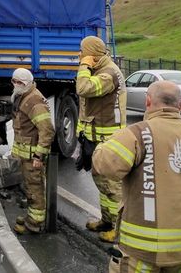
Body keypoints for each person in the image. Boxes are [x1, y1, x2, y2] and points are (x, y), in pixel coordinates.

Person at [93, 80, 181, 272]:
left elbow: (105, 166)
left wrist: (101, 146)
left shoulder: (137, 134)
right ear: (180, 106)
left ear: (148, 102)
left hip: (141, 249)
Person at [75, 35, 127, 242]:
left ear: (92, 55)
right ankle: (107, 220)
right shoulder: (100, 70)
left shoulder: (108, 74)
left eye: (83, 52)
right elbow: (86, 105)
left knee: (113, 187)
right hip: (97, 138)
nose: (80, 56)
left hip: (109, 140)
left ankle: (119, 230)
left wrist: (83, 67)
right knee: (103, 184)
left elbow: (83, 88)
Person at [9, 68, 55, 235]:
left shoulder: (34, 101)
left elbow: (47, 130)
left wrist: (38, 156)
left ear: (28, 83)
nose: (15, 85)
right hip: (25, 156)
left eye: (19, 82)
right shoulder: (24, 96)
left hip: (32, 157)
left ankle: (35, 224)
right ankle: (32, 218)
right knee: (29, 188)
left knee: (35, 189)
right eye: (14, 81)